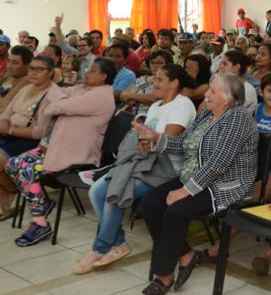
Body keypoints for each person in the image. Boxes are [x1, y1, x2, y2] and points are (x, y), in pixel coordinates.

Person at [136, 74, 257, 294]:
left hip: (224, 185)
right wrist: (155, 137)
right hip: (195, 176)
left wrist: (184, 191)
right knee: (150, 203)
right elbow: (183, 143)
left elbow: (219, 163)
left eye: (212, 91)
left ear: (228, 98)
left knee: (175, 211)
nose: (206, 94)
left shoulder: (238, 117)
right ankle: (186, 255)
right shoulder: (207, 114)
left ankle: (163, 277)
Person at [73, 64, 196, 274]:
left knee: (118, 190)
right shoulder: (157, 106)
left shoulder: (183, 106)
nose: (153, 84)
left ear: (174, 83)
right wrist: (143, 139)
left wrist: (147, 140)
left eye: (159, 80)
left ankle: (100, 247)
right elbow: (144, 142)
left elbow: (168, 142)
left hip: (168, 169)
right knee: (96, 191)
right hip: (145, 163)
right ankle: (118, 242)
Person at [6, 58, 116, 247]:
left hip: (76, 154)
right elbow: (53, 92)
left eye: (92, 70)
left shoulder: (102, 96)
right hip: (57, 148)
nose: (87, 72)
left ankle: (40, 222)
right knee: (12, 164)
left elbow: (55, 106)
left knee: (25, 169)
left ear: (103, 76)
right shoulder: (82, 89)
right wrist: (64, 101)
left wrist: (62, 103)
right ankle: (42, 203)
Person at [0, 55, 62, 221]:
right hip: (8, 133)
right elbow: (7, 112)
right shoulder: (26, 88)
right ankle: (2, 193)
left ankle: (14, 191)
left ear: (51, 72)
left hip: (31, 141)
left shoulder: (53, 94)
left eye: (40, 70)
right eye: (32, 68)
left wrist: (10, 129)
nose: (34, 73)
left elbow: (40, 132)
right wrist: (3, 121)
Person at [119, 49, 172, 117]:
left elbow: (154, 99)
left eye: (160, 63)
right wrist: (142, 99)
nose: (155, 66)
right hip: (128, 114)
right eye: (152, 63)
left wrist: (131, 96)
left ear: (168, 65)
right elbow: (122, 95)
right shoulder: (142, 78)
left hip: (147, 118)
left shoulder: (169, 82)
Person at [218, 50, 259, 114]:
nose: (221, 67)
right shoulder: (221, 84)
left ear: (236, 67)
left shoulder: (248, 90)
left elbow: (227, 113)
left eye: (225, 64)